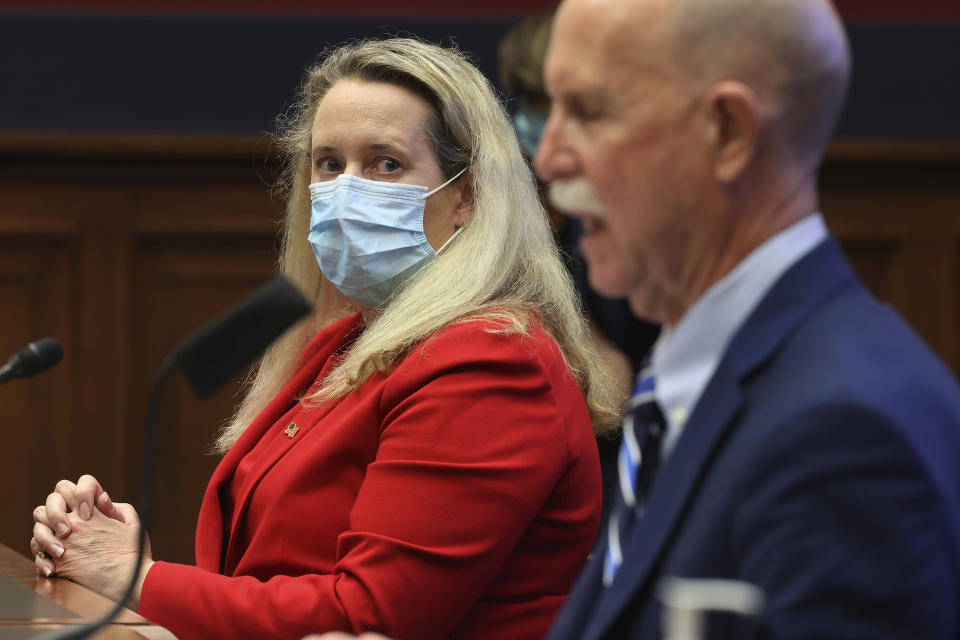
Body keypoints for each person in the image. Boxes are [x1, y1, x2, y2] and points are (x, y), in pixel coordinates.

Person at [29, 38, 622, 640]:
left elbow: (364, 619)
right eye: (329, 163)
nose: (346, 190)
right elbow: (273, 567)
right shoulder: (347, 342)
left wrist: (135, 579)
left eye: (386, 163)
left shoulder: (490, 361)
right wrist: (125, 556)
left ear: (467, 197)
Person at [532, 0, 960, 638]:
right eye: (549, 111)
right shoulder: (702, 375)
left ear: (728, 133)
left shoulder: (841, 434)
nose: (548, 159)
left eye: (589, 113)